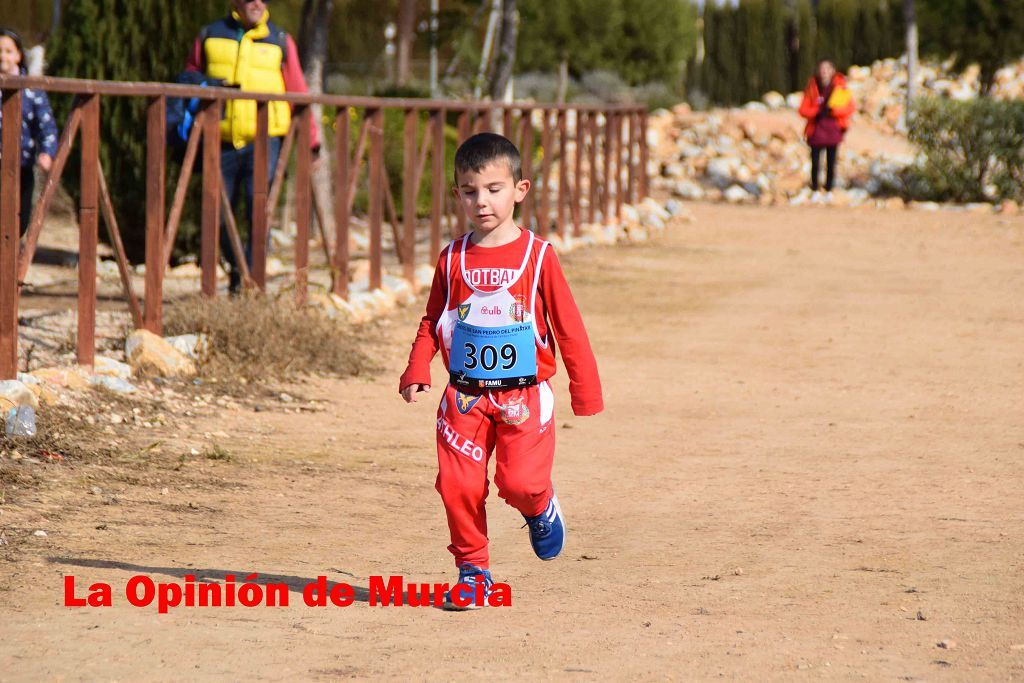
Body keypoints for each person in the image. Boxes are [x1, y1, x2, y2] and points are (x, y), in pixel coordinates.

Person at [399, 133, 604, 610]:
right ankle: (473, 572)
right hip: (464, 397)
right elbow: (434, 318)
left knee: (520, 482)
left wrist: (585, 392)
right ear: (458, 194)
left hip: (524, 397)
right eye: (470, 190)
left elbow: (569, 328)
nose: (482, 201)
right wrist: (416, 367)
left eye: (493, 188)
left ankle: (540, 505)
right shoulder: (452, 258)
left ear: (520, 189)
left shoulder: (539, 256)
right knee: (458, 485)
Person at [185, 0, 319, 292]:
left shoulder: (281, 40)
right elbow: (189, 76)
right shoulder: (210, 33)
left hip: (265, 142)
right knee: (218, 216)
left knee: (260, 215)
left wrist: (311, 142)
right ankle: (237, 272)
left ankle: (250, 286)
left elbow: (298, 90)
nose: (257, 3)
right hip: (220, 141)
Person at [0, 28, 57, 237]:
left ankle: (9, 265)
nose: (2, 56)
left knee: (19, 221)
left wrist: (47, 152)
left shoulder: (31, 89)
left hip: (21, 166)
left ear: (18, 55)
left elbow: (46, 126)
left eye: (8, 51)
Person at [798, 59, 855, 203]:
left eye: (827, 69)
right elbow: (802, 109)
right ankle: (815, 188)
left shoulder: (840, 87)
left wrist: (833, 110)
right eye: (822, 69)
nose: (824, 72)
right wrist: (815, 112)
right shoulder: (812, 87)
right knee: (815, 162)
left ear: (832, 70)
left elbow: (850, 107)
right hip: (816, 130)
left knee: (831, 162)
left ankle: (829, 189)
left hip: (833, 130)